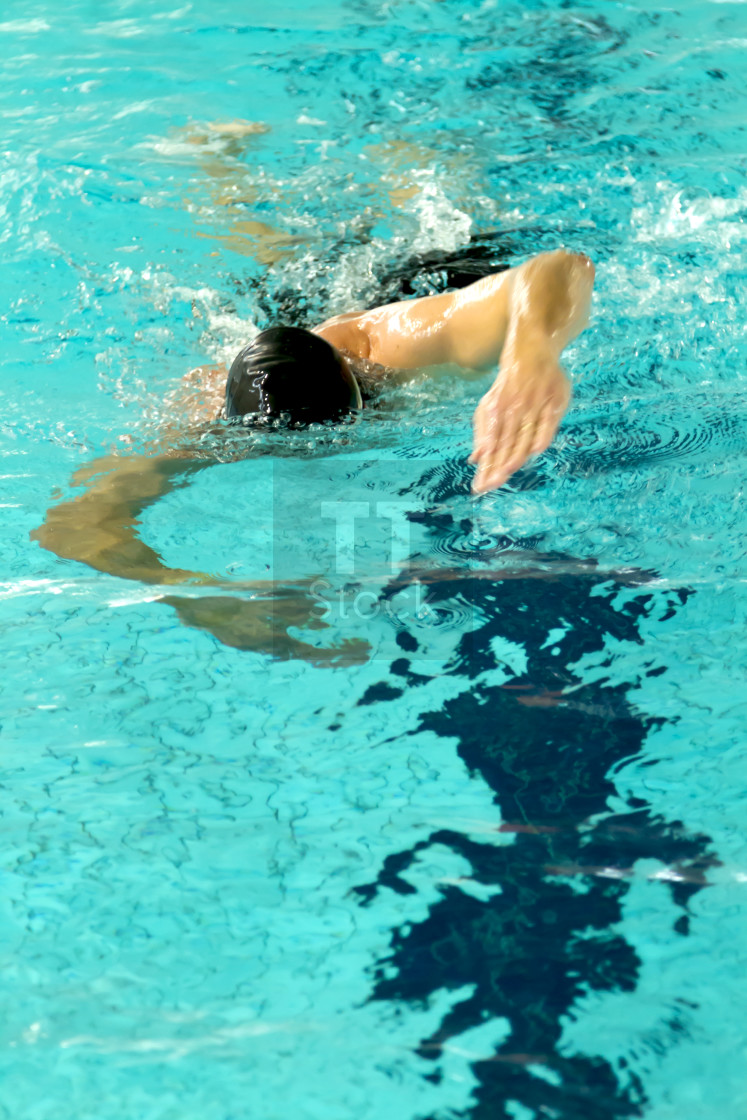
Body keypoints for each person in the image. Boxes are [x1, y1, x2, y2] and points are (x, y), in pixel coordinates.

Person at [31, 248, 594, 663]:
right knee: (272, 255)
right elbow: (71, 527)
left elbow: (559, 268)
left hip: (418, 274)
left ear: (359, 396)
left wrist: (529, 355)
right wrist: (198, 597)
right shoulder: (205, 423)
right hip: (295, 302)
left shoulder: (392, 343)